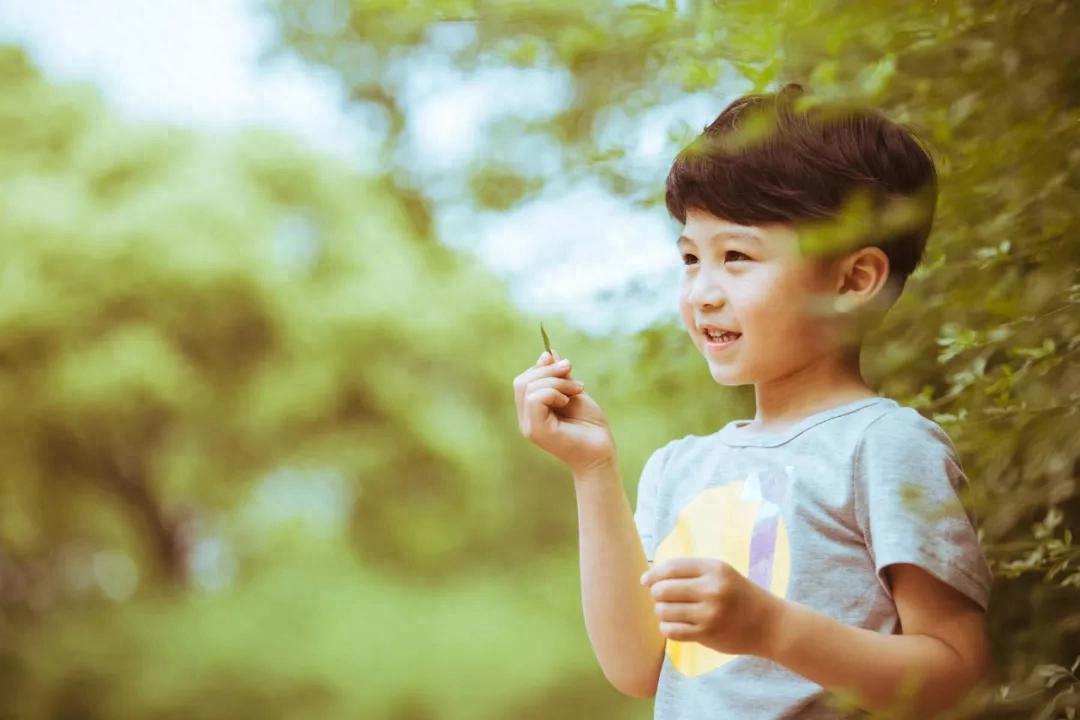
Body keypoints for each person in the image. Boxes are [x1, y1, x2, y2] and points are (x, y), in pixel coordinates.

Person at [512, 82, 993, 719]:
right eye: (690, 258)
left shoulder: (884, 447)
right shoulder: (678, 467)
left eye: (736, 255)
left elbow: (954, 674)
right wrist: (592, 468)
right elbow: (636, 667)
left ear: (853, 280)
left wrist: (769, 628)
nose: (702, 292)